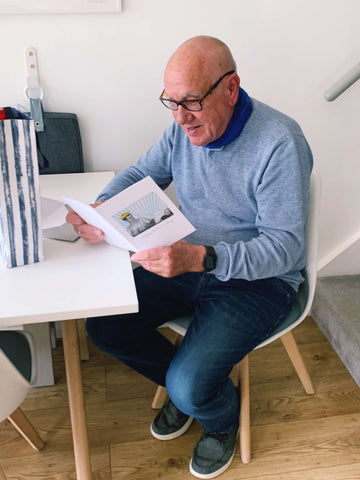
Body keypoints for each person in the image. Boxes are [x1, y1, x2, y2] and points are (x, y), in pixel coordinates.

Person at [66, 35, 313, 478]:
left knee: (189, 385)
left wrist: (201, 259)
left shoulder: (280, 142)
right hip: (190, 258)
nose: (180, 118)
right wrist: (102, 211)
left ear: (231, 88)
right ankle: (192, 393)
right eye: (171, 102)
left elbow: (285, 248)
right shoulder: (181, 129)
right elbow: (144, 173)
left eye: (192, 102)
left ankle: (220, 418)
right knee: (105, 327)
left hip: (259, 281)